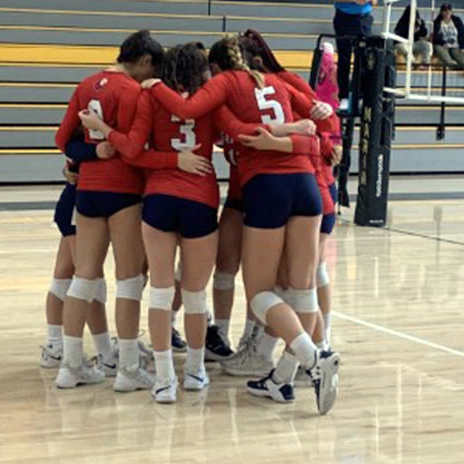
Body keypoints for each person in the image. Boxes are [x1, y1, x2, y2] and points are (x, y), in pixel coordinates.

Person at [142, 36, 343, 415]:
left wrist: (154, 86)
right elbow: (319, 131)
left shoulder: (222, 89)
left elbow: (222, 123)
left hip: (267, 188)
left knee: (261, 294)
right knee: (302, 289)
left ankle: (312, 357)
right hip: (308, 189)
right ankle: (285, 375)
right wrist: (296, 126)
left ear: (216, 69)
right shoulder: (279, 82)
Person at [79, 42, 272, 403]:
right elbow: (240, 130)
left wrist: (167, 160)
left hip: (158, 200)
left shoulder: (150, 98)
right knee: (196, 295)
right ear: (201, 72)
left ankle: (165, 379)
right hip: (200, 200)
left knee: (162, 293)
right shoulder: (211, 102)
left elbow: (134, 152)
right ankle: (196, 371)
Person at [53, 30, 163, 391]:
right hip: (123, 190)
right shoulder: (134, 92)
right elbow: (134, 148)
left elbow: (62, 140)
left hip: (87, 191)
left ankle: (70, 367)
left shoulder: (85, 84)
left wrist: (90, 153)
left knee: (84, 277)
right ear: (145, 61)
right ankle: (128, 370)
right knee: (130, 279)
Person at [40, 132, 117, 380]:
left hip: (73, 202)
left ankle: (55, 347)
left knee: (64, 275)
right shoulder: (92, 135)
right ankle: (106, 355)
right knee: (90, 278)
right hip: (77, 205)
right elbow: (69, 147)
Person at [332, 0, 376, 113]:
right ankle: (344, 96)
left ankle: (359, 94)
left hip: (363, 18)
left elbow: (374, 2)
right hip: (343, 17)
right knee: (344, 59)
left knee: (363, 59)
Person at [433, 4, 464, 78]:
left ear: (451, 12)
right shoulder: (437, 22)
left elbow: (462, 34)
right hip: (442, 45)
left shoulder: (456, 20)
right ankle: (454, 67)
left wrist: (463, 47)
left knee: (458, 53)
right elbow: (435, 36)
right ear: (441, 12)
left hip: (454, 45)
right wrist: (443, 43)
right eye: (445, 11)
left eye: (449, 11)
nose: (447, 12)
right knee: (442, 53)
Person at [394, 6, 432, 70]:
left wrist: (421, 26)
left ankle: (425, 64)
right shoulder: (402, 22)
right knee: (403, 48)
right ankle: (414, 64)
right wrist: (412, 31)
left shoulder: (419, 21)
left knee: (427, 45)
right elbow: (399, 34)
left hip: (415, 43)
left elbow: (424, 34)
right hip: (404, 43)